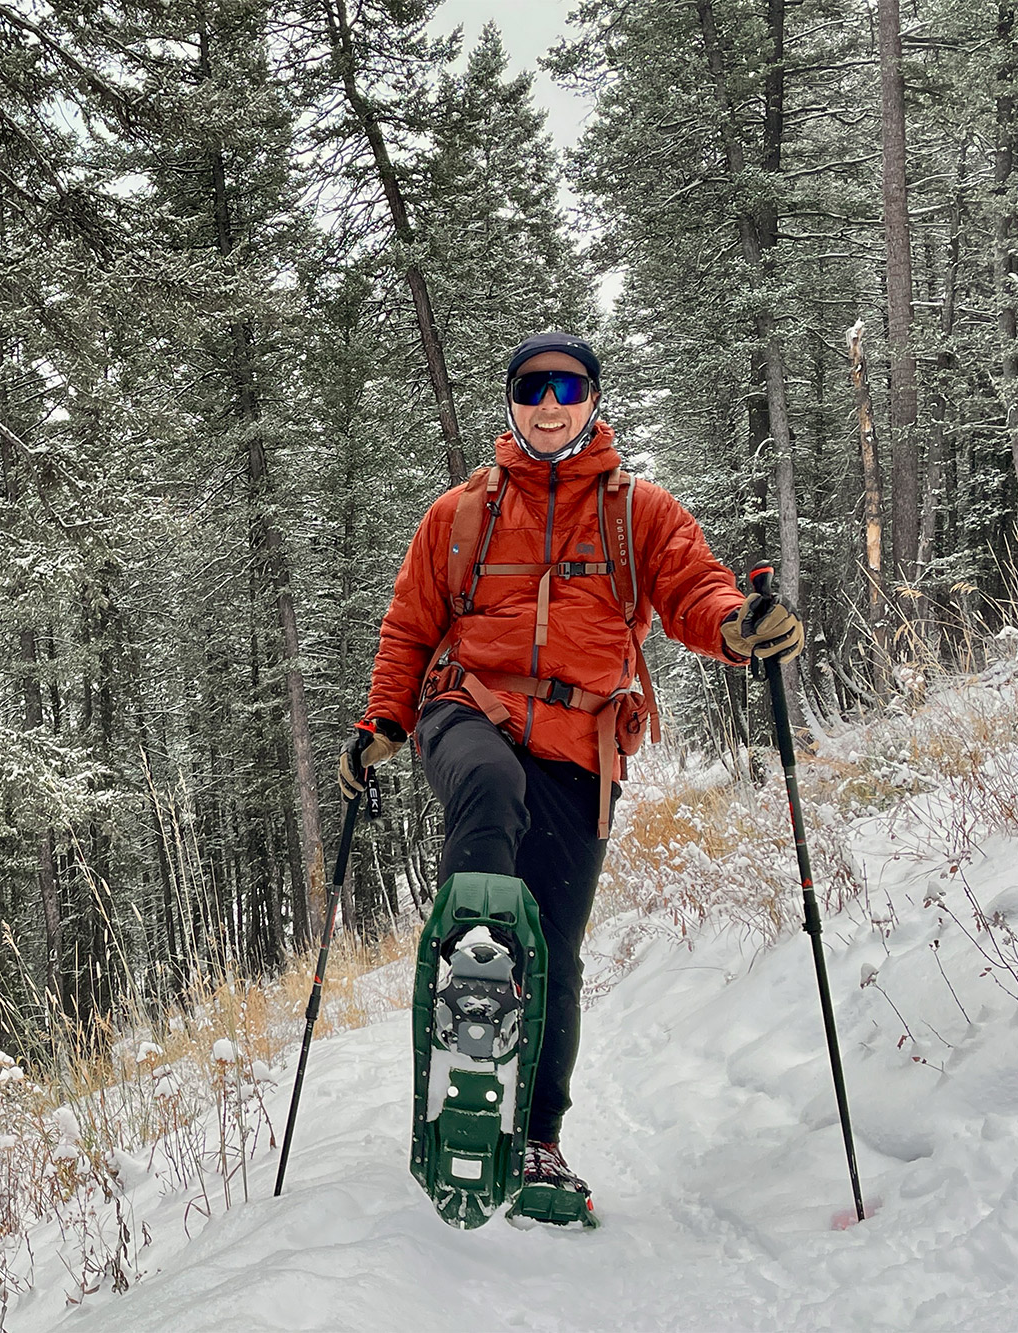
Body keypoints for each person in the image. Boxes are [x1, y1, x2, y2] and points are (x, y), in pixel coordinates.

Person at [337, 331, 804, 1211]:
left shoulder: (641, 514)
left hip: (583, 747)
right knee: (487, 786)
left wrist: (739, 625)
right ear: (510, 402)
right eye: (531, 387)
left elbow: (693, 588)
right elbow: (408, 629)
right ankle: (474, 961)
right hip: (469, 708)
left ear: (592, 399)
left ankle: (537, 1138)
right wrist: (383, 725)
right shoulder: (461, 514)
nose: (549, 403)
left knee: (557, 952)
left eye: (567, 386)